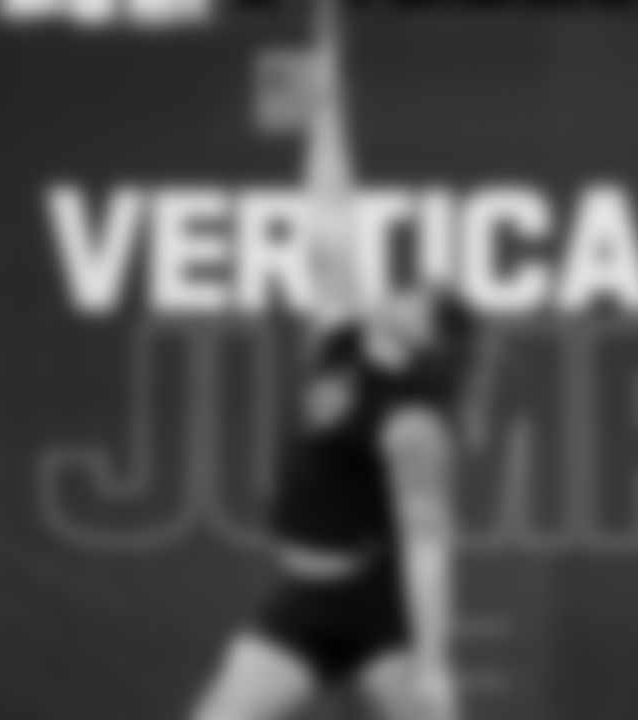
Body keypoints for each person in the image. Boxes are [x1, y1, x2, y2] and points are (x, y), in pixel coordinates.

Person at [186, 2, 476, 720]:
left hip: (376, 615)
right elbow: (328, 221)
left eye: (422, 299)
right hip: (301, 603)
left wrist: (435, 667)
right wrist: (326, 110)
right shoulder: (342, 343)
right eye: (413, 285)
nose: (406, 290)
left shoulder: (413, 418)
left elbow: (428, 548)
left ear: (429, 342)